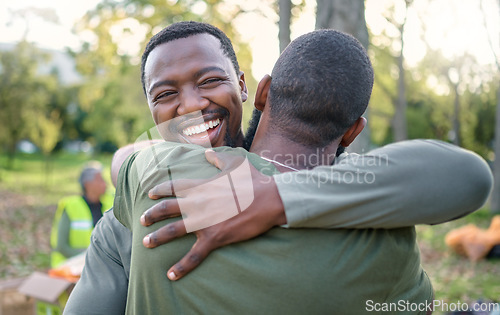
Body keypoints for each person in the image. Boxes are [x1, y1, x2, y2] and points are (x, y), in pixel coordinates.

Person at [63, 22, 492, 314]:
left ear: (253, 89)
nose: (192, 104)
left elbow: (463, 177)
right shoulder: (139, 210)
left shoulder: (373, 194)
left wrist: (274, 196)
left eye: (209, 81)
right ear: (353, 131)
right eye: (165, 95)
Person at [50, 161, 113, 268]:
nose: (105, 183)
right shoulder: (71, 206)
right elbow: (62, 246)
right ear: (88, 184)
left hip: (98, 265)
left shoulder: (110, 204)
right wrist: (89, 257)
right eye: (100, 179)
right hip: (69, 266)